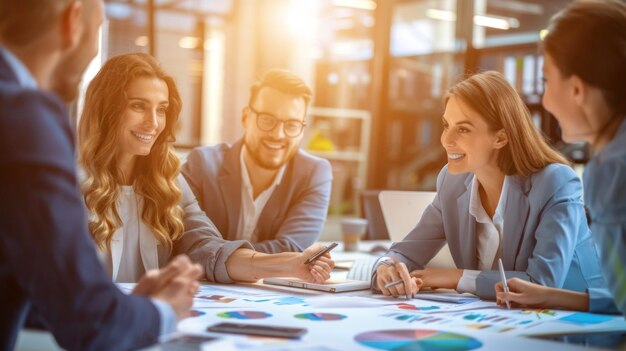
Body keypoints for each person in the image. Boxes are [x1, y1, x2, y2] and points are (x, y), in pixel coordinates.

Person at [0, 0, 202, 350]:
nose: (153, 122)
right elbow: (88, 320)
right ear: (72, 20)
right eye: (99, 30)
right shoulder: (24, 115)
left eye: (162, 109)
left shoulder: (168, 175)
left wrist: (123, 306)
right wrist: (162, 311)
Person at [79, 52, 334, 284]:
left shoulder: (168, 181)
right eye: (138, 106)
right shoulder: (67, 182)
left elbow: (207, 249)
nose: (153, 123)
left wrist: (292, 264)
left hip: (151, 318)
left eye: (162, 110)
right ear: (106, 110)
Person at [373, 70, 607, 300]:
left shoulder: (555, 182)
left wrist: (458, 278)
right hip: (500, 317)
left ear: (500, 138)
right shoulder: (451, 181)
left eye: (463, 129)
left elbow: (541, 283)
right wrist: (386, 267)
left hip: (578, 324)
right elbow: (405, 251)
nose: (446, 140)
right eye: (446, 125)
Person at [496, 0, 626, 316]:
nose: (544, 99)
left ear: (577, 90)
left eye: (547, 80)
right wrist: (553, 296)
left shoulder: (610, 170)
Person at [182, 69, 332, 253]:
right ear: (246, 117)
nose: (278, 134)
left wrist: (215, 254)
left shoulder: (314, 173)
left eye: (292, 125)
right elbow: (185, 241)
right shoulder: (202, 165)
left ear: (302, 130)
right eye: (267, 120)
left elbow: (292, 248)